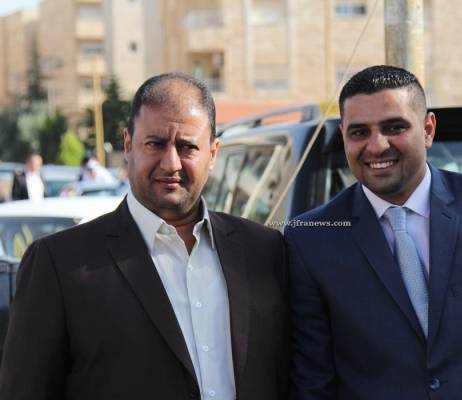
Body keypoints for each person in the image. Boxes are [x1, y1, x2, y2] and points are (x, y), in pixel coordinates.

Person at [285, 65, 462, 399]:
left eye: (394, 127)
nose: (377, 146)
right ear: (344, 137)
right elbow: (313, 382)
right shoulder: (310, 239)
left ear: (427, 129)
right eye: (359, 132)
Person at [0, 73, 288, 400]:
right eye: (155, 144)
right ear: (128, 145)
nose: (171, 163)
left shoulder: (264, 250)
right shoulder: (60, 264)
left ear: (213, 153)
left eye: (187, 147)